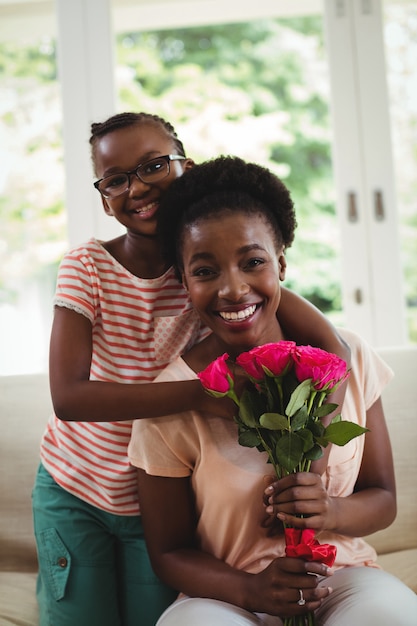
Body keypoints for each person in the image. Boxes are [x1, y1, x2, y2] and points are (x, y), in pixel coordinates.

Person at [32, 113, 350, 626]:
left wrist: (308, 473)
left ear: (186, 166)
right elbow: (69, 398)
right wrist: (199, 396)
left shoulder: (211, 266)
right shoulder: (86, 267)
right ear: (103, 197)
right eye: (116, 179)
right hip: (77, 487)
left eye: (154, 165)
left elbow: (334, 353)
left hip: (155, 498)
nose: (137, 187)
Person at [128, 155, 417, 626]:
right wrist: (251, 589)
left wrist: (331, 510)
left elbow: (382, 498)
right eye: (205, 271)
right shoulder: (172, 398)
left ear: (280, 263)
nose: (233, 289)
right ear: (183, 281)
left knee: (391, 613)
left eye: (253, 262)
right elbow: (168, 552)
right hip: (225, 596)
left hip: (339, 578)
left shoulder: (350, 357)